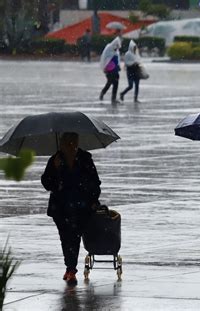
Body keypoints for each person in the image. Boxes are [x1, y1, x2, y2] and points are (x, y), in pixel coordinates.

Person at [41, 132, 101, 284]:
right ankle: (70, 267)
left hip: (81, 207)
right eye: (67, 143)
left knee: (74, 237)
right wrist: (54, 169)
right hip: (60, 207)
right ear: (61, 144)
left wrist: (93, 199)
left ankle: (70, 268)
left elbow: (95, 182)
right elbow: (47, 183)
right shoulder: (55, 159)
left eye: (73, 142)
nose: (70, 146)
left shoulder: (85, 158)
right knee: (65, 237)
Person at [99, 37, 121, 104]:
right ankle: (103, 93)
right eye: (116, 46)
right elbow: (104, 59)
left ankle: (113, 98)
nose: (117, 48)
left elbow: (117, 60)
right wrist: (104, 68)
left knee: (116, 83)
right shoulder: (108, 49)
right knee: (109, 82)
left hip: (115, 70)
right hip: (109, 70)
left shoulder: (116, 52)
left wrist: (118, 66)